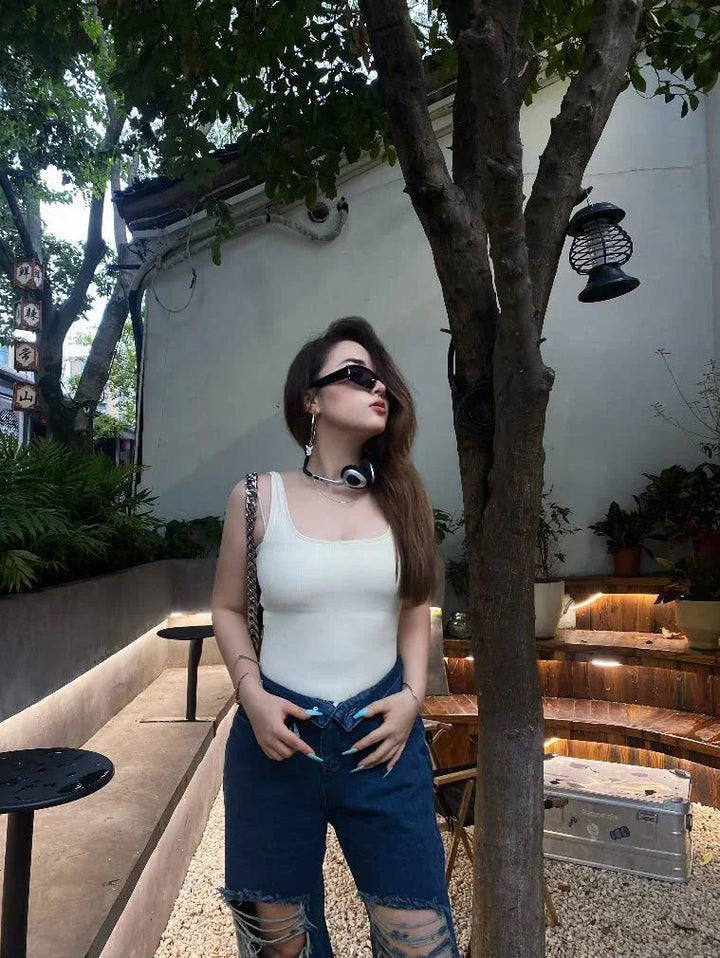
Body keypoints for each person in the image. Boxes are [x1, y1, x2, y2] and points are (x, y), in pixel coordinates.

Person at [212, 316, 460, 958]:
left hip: (383, 741)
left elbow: (416, 606)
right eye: (356, 375)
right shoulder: (255, 498)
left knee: (420, 940)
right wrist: (251, 695)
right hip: (276, 742)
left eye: (381, 379)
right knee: (279, 946)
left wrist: (412, 697)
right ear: (311, 400)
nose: (377, 386)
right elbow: (229, 608)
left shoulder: (404, 498)